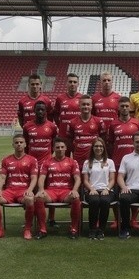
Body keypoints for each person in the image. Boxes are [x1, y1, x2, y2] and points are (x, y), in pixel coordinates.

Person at [0, 134, 39, 240]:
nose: (19, 144)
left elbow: (34, 178)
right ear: (13, 145)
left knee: (30, 199)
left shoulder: (32, 160)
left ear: (25, 144)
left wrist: (30, 190)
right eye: (16, 143)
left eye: (21, 142)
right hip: (10, 191)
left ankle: (27, 229)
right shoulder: (6, 160)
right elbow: (2, 176)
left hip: (23, 191)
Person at [106, 96, 139, 231]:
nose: (125, 108)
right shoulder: (113, 124)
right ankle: (117, 219)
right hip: (117, 163)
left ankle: (133, 219)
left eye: (127, 106)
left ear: (130, 107)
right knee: (116, 192)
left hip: (133, 163)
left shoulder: (137, 123)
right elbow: (110, 143)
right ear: (118, 108)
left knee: (134, 189)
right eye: (122, 106)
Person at [49, 72, 81, 227]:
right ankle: (51, 216)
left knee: (78, 172)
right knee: (55, 173)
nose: (72, 84)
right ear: (66, 83)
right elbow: (56, 117)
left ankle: (76, 211)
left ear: (78, 83)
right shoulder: (60, 99)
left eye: (75, 82)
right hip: (63, 139)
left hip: (78, 139)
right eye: (70, 82)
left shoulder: (82, 98)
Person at [33, 137, 82, 240]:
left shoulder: (72, 162)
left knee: (76, 199)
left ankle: (74, 228)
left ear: (66, 148)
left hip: (66, 191)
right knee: (38, 198)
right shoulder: (47, 162)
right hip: (51, 191)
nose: (60, 149)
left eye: (62, 147)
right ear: (53, 149)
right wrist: (41, 190)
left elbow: (77, 179)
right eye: (57, 147)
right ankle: (42, 229)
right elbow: (41, 178)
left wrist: (74, 190)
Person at [82, 137, 116, 240]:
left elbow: (112, 180)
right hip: (92, 190)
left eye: (101, 146)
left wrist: (107, 189)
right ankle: (92, 229)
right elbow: (85, 180)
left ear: (104, 148)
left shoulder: (110, 162)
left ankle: (101, 230)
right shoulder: (87, 163)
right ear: (92, 148)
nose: (98, 148)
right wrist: (91, 189)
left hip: (107, 190)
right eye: (96, 146)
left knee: (105, 201)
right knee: (95, 201)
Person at [66, 94, 105, 171]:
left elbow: (102, 139)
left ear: (91, 106)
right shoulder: (72, 122)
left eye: (88, 104)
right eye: (83, 104)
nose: (86, 106)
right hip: (78, 158)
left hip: (94, 158)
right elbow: (69, 141)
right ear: (79, 106)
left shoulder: (98, 121)